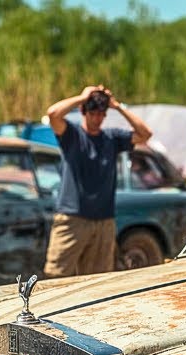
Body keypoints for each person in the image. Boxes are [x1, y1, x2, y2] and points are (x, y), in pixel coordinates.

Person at [43, 85, 153, 277]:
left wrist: (117, 106)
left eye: (102, 114)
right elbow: (53, 114)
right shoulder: (72, 135)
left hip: (103, 222)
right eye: (93, 113)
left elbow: (145, 134)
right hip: (72, 219)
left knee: (98, 280)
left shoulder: (111, 138)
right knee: (55, 276)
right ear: (84, 112)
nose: (97, 118)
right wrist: (81, 97)